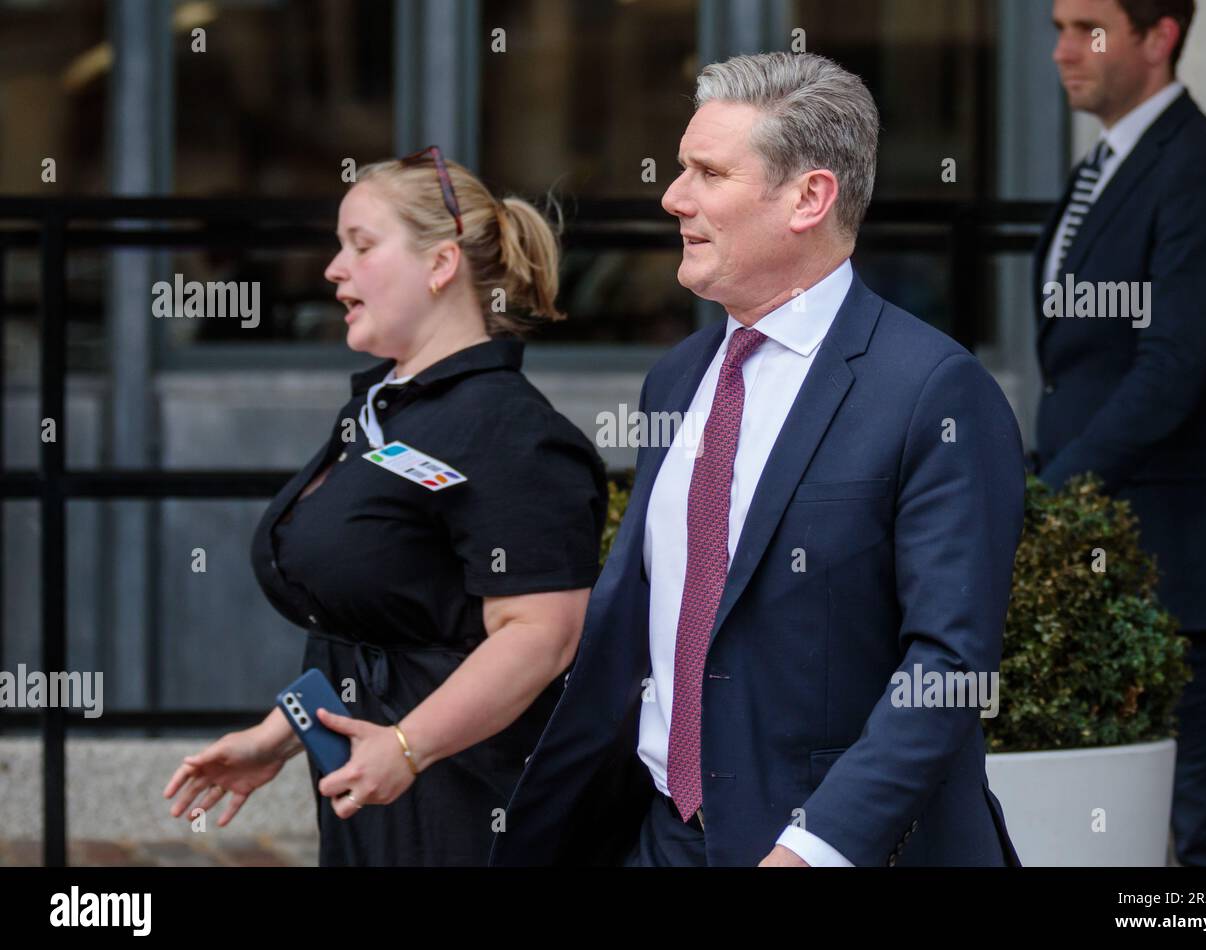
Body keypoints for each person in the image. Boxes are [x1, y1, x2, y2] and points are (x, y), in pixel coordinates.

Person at [490, 52, 1025, 867]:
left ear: (809, 197)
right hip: (660, 837)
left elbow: (948, 668)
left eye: (708, 172)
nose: (674, 197)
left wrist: (817, 849)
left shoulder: (934, 389)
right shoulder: (675, 378)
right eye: (680, 169)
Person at [163, 146, 608, 865]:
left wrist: (408, 746)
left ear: (439, 266)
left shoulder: (508, 431)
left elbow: (543, 634)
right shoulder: (384, 413)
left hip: (469, 812)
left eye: (361, 246)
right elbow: (375, 631)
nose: (333, 270)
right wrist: (277, 736)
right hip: (374, 805)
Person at [1035, 0, 1206, 866]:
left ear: (1161, 36)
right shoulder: (1105, 166)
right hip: (1118, 555)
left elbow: (1169, 375)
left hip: (1189, 568)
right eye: (1057, 27)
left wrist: (1048, 502)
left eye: (1089, 28)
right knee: (1125, 823)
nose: (1063, 50)